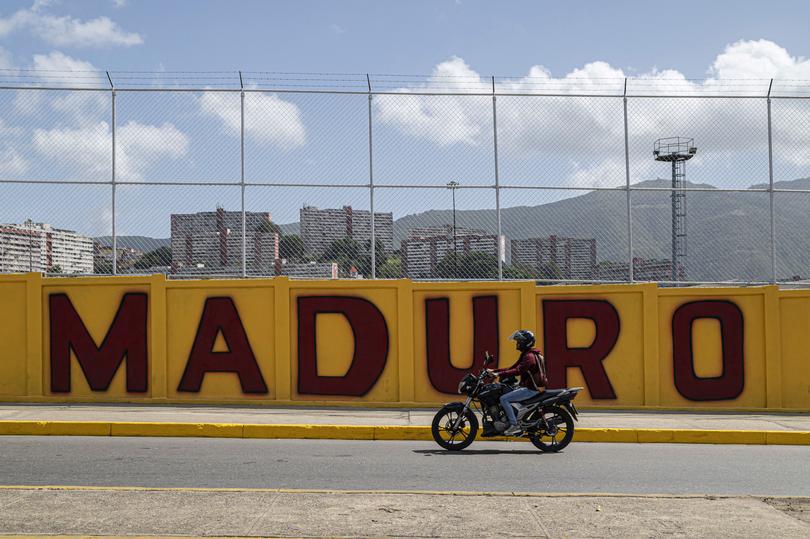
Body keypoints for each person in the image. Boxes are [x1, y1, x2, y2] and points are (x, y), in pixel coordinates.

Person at [486, 329, 548, 436]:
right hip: (531, 387)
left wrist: (498, 375)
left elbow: (518, 371)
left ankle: (514, 425)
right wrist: (494, 371)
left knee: (503, 399)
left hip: (531, 389)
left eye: (519, 341)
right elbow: (513, 368)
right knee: (505, 391)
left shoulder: (529, 357)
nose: (518, 343)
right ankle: (511, 417)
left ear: (526, 342)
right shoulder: (529, 354)